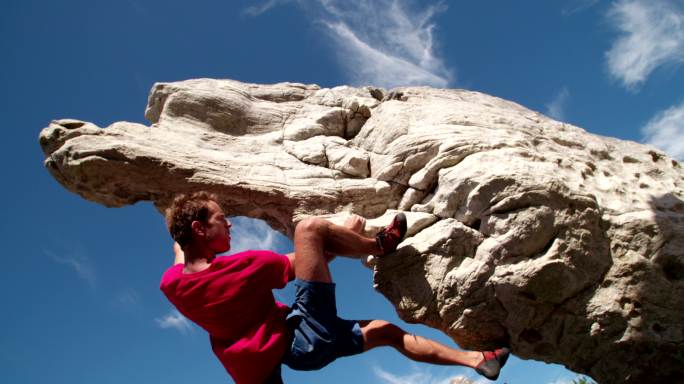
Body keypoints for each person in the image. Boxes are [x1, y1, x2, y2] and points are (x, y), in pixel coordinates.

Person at [160, 191, 509, 383]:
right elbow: (313, 260)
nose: (231, 225)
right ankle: (380, 245)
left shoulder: (173, 285)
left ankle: (479, 360)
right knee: (311, 228)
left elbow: (180, 252)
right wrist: (349, 231)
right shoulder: (245, 266)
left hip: (279, 359)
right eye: (223, 220)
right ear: (200, 228)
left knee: (385, 332)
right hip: (304, 337)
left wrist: (180, 234)